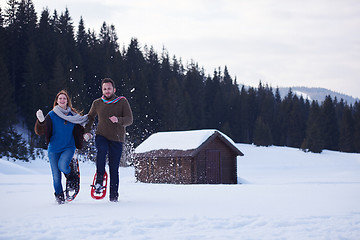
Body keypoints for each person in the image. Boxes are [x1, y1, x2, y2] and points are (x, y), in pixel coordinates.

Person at [84, 78, 133, 202]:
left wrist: (119, 120)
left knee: (114, 168)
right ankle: (99, 180)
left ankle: (113, 196)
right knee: (101, 150)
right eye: (104, 89)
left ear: (114, 89)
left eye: (109, 88)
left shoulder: (122, 101)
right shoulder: (97, 103)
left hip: (117, 139)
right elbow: (90, 117)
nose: (107, 91)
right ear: (102, 90)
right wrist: (87, 131)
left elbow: (129, 119)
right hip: (102, 135)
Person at [34, 90, 88, 204]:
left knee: (62, 166)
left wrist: (86, 134)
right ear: (57, 101)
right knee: (56, 177)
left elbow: (82, 126)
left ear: (67, 101)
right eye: (60, 99)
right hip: (53, 149)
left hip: (69, 146)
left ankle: (72, 176)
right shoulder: (51, 115)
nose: (62, 100)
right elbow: (40, 131)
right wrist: (41, 121)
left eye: (64, 98)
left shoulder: (73, 116)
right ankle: (60, 199)